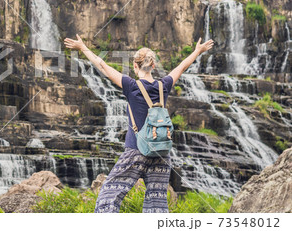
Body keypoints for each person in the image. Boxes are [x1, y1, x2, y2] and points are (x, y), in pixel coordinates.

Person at [64, 35, 214, 213]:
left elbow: (102, 65)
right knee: (157, 205)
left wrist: (83, 48)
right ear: (153, 65)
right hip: (161, 153)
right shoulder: (163, 85)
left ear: (135, 66)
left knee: (108, 195)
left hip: (136, 150)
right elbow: (182, 67)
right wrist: (197, 50)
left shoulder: (131, 85)